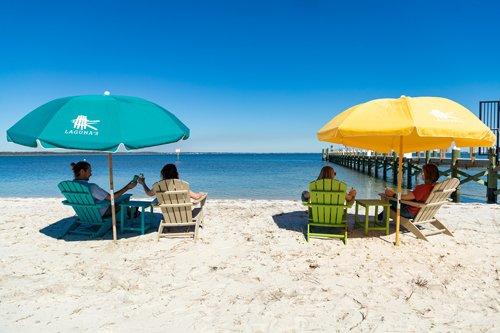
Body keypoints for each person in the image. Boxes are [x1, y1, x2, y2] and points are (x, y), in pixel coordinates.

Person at [71, 161, 137, 217]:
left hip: (83, 214)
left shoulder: (71, 187)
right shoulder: (92, 187)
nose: (91, 174)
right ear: (82, 171)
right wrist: (127, 187)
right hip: (98, 213)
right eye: (89, 171)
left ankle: (131, 211)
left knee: (116, 200)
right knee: (122, 203)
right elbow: (112, 197)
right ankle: (133, 213)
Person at [138, 163, 206, 200]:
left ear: (163, 174)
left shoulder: (158, 186)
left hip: (168, 216)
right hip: (184, 215)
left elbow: (149, 193)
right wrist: (201, 193)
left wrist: (143, 184)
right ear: (176, 173)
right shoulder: (181, 185)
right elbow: (196, 197)